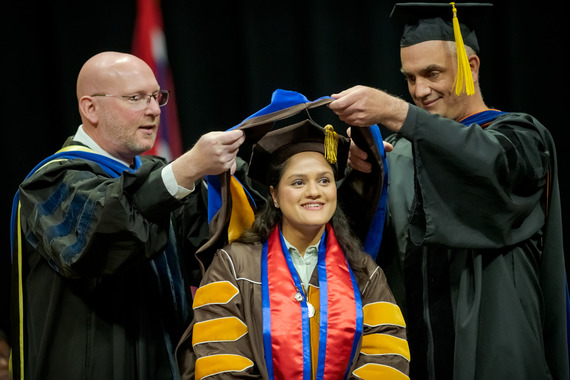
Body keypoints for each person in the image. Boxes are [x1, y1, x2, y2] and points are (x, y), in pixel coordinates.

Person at [328, 3, 568, 380]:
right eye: (409, 78)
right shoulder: (400, 152)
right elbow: (361, 246)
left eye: (432, 73)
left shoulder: (522, 138)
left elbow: (488, 167)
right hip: (414, 351)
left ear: (471, 67)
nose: (420, 91)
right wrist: (362, 175)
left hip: (495, 348)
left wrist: (396, 112)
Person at [9, 51, 246, 380]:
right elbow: (101, 238)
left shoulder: (157, 180)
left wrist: (221, 182)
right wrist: (188, 168)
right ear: (90, 108)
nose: (152, 110)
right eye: (135, 98)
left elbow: (210, 258)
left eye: (155, 96)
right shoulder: (51, 183)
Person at [176, 120, 410, 379]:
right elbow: (220, 362)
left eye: (324, 180)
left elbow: (386, 356)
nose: (314, 192)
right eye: (298, 183)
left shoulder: (363, 270)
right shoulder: (233, 265)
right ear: (274, 196)